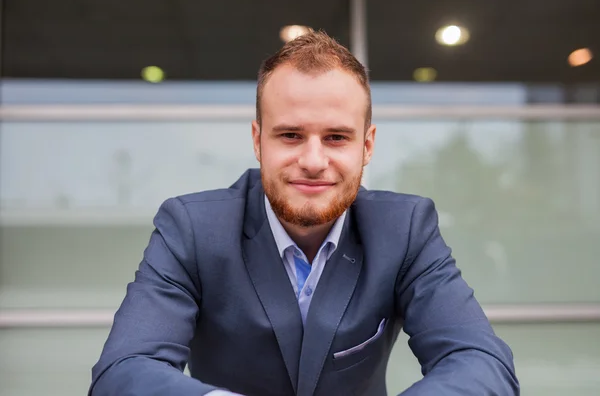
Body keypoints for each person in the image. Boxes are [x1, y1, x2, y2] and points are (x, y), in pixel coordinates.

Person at [90, 31, 519, 396]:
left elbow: (481, 362)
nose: (314, 160)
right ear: (258, 141)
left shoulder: (404, 229)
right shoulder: (192, 228)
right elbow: (123, 371)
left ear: (367, 146)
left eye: (336, 137)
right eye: (291, 135)